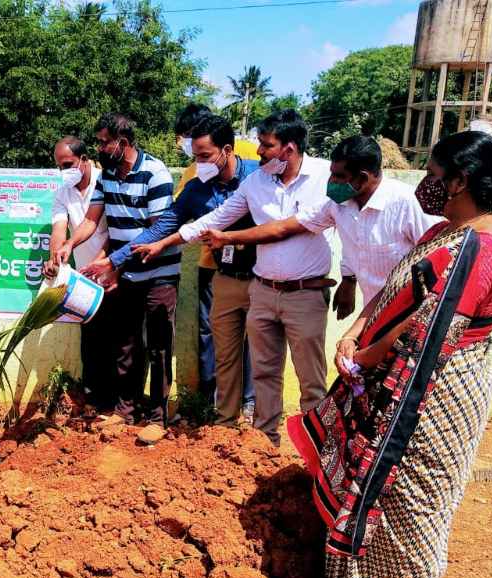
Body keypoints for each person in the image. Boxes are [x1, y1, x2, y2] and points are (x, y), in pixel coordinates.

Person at [288, 131, 492, 578]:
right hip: (405, 384)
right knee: (383, 491)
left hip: (435, 397)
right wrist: (357, 332)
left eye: (434, 175)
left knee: (411, 503)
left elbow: (430, 333)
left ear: (460, 181)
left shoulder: (478, 247)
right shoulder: (448, 231)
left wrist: (366, 357)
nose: (425, 185)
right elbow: (396, 294)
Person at [134, 110, 334, 446]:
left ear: (290, 147)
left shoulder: (325, 177)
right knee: (265, 373)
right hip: (264, 289)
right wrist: (166, 241)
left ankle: (319, 452)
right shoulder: (257, 182)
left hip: (305, 292)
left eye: (266, 145)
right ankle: (263, 443)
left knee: (310, 379)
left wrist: (230, 239)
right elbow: (218, 216)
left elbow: (286, 228)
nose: (258, 152)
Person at [85, 113, 259, 427]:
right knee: (224, 349)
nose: (199, 163)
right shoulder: (195, 188)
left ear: (229, 150)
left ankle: (256, 418)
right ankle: (224, 421)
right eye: (195, 157)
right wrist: (114, 261)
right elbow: (166, 225)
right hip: (224, 276)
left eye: (205, 156)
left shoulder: (256, 178)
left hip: (265, 277)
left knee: (260, 352)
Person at [200, 135, 442, 317]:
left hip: (416, 314)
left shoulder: (407, 204)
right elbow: (283, 228)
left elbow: (442, 260)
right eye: (330, 174)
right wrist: (228, 237)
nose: (331, 183)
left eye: (338, 177)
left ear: (364, 178)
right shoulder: (337, 206)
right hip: (376, 313)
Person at [58, 113, 174, 427]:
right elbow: (92, 220)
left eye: (103, 142)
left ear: (121, 143)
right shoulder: (106, 175)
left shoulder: (155, 172)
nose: (99, 147)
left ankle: (158, 418)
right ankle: (126, 411)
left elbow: (157, 230)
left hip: (158, 272)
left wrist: (113, 262)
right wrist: (70, 243)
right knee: (128, 344)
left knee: (159, 345)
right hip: (127, 271)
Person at [174, 103, 258, 410]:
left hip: (251, 266)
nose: (188, 149)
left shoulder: (253, 163)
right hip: (212, 263)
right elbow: (181, 215)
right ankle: (215, 400)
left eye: (188, 138)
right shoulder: (196, 172)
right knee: (213, 331)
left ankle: (243, 401)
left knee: (244, 333)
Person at [46, 135, 114, 412]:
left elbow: (115, 231)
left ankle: (118, 405)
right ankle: (93, 400)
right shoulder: (63, 192)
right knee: (92, 339)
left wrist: (103, 263)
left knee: (119, 340)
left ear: (84, 160)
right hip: (85, 279)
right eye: (60, 167)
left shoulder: (106, 181)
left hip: (112, 269)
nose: (65, 171)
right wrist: (56, 260)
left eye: (69, 164)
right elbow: (59, 231)